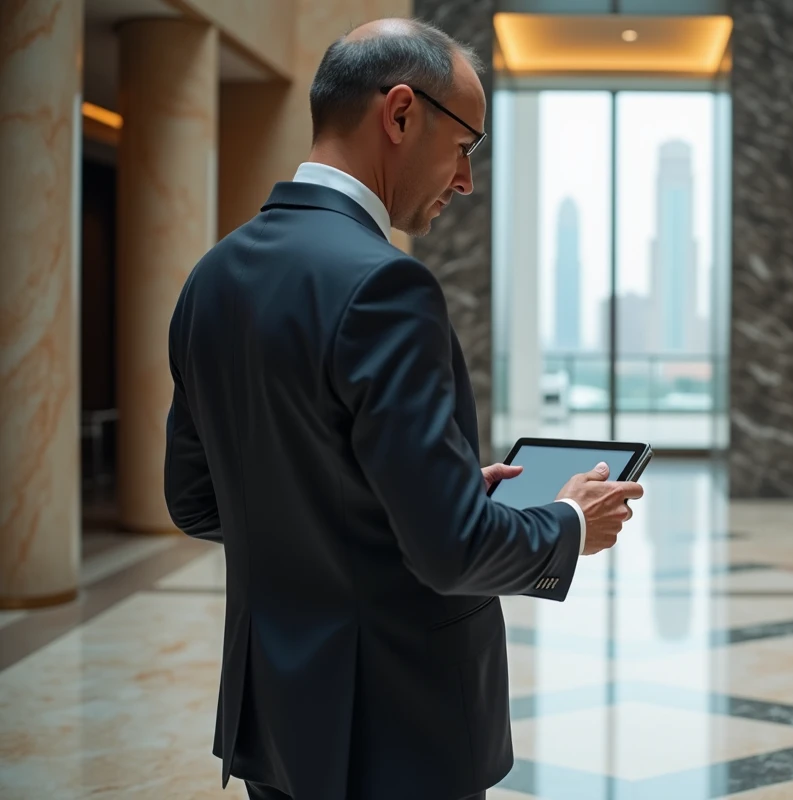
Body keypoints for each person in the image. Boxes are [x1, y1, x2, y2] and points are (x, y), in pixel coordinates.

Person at [163, 18, 644, 800]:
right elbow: (450, 554)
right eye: (466, 147)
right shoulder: (386, 286)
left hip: (275, 717)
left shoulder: (212, 277)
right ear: (399, 114)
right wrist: (567, 523)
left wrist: (417, 494)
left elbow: (195, 499)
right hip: (394, 727)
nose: (466, 180)